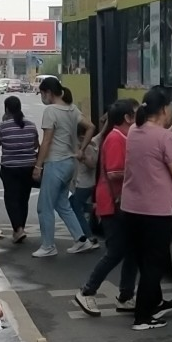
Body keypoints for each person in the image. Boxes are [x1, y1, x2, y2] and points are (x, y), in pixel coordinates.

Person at [122, 87, 172, 331]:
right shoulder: (165, 139)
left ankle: (156, 302)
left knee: (144, 260)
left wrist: (169, 133)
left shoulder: (134, 131)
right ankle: (142, 317)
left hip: (132, 208)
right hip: (157, 211)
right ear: (163, 110)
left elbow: (153, 145)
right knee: (154, 265)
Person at [74, 99, 140, 317]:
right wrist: (140, 171)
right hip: (112, 203)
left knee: (131, 250)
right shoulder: (115, 138)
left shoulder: (124, 136)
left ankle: (126, 296)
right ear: (127, 118)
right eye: (136, 114)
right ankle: (87, 291)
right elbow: (113, 173)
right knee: (116, 251)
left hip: (120, 201)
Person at [31, 77, 96, 258]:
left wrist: (38, 165)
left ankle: (48, 245)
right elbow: (91, 127)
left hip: (55, 163)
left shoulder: (51, 111)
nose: (42, 97)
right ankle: (81, 239)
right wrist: (81, 150)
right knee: (62, 204)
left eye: (42, 93)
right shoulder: (71, 109)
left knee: (44, 206)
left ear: (49, 93)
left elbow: (47, 141)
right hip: (70, 163)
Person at [0, 96, 40, 243]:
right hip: (28, 167)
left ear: (7, 109)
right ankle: (20, 228)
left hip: (10, 167)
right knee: (23, 198)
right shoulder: (31, 125)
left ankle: (18, 229)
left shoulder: (3, 126)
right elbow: (35, 145)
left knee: (11, 198)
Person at [69, 112, 106, 250]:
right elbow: (101, 133)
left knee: (75, 208)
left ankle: (89, 237)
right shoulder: (94, 141)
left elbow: (92, 164)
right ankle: (97, 208)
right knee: (76, 204)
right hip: (87, 184)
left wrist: (82, 157)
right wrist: (106, 120)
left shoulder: (86, 147)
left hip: (83, 185)